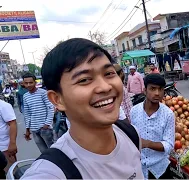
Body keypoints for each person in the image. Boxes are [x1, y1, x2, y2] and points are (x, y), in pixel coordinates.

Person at [21, 38, 143, 179]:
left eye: (108, 73)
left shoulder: (130, 134)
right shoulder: (52, 172)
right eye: (84, 80)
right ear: (57, 99)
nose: (105, 86)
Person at [131, 74, 175, 179]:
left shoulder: (168, 114)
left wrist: (147, 143)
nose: (157, 93)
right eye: (152, 89)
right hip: (139, 168)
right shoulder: (134, 111)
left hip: (160, 169)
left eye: (160, 89)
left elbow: (169, 145)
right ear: (145, 90)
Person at [22, 72, 55, 153]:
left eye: (31, 82)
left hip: (45, 129)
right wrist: (27, 129)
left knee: (53, 151)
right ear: (23, 84)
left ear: (35, 82)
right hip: (34, 129)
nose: (29, 85)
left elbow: (50, 108)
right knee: (43, 152)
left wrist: (46, 124)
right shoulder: (25, 96)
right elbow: (27, 114)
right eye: (26, 83)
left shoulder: (43, 93)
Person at [0, 99, 17, 174]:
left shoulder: (3, 106)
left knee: (11, 172)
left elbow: (13, 124)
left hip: (4, 147)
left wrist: (12, 144)